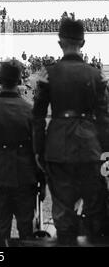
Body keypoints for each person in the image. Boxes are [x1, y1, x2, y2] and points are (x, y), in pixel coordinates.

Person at [32, 18, 109, 245]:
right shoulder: (96, 75)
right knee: (94, 212)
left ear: (60, 43)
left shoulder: (48, 75)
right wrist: (104, 150)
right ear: (83, 43)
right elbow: (104, 118)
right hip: (89, 148)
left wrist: (39, 149)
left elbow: (37, 117)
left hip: (57, 148)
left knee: (63, 215)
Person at [0, 60, 42, 246]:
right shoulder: (30, 110)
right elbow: (38, 150)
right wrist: (41, 183)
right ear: (19, 80)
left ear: (0, 80)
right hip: (25, 179)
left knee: (0, 233)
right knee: (26, 233)